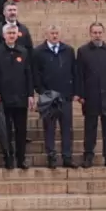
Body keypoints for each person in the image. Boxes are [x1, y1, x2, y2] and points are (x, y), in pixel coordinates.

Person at [75, 22, 106, 169]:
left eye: (99, 32)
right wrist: (80, 94)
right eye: (95, 32)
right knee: (90, 128)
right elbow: (79, 75)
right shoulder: (82, 51)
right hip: (90, 97)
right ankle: (88, 156)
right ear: (90, 34)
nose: (97, 35)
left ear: (103, 33)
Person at [0, 23, 35, 170]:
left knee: (21, 130)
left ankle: (21, 159)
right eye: (9, 33)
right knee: (6, 130)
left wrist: (30, 94)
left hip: (21, 98)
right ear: (4, 35)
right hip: (4, 98)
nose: (11, 36)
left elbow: (28, 74)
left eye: (14, 33)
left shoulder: (23, 51)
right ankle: (8, 157)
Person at [35, 24, 76, 169]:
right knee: (49, 128)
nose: (54, 35)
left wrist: (74, 92)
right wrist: (42, 91)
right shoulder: (38, 52)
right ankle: (51, 156)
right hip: (48, 98)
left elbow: (74, 71)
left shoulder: (68, 50)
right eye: (52, 33)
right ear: (46, 35)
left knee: (67, 128)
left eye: (56, 33)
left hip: (65, 96)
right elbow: (36, 74)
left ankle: (67, 157)